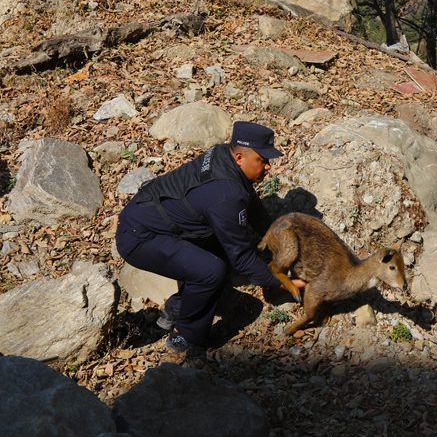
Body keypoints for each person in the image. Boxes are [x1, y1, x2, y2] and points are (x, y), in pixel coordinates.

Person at [115, 122, 305, 358]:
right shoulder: (226, 195)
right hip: (140, 237)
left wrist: (280, 237)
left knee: (219, 252)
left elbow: (251, 203)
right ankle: (184, 336)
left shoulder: (223, 155)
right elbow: (242, 258)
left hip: (155, 217)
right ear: (239, 157)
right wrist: (282, 283)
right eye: (262, 160)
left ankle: (177, 308)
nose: (269, 167)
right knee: (210, 270)